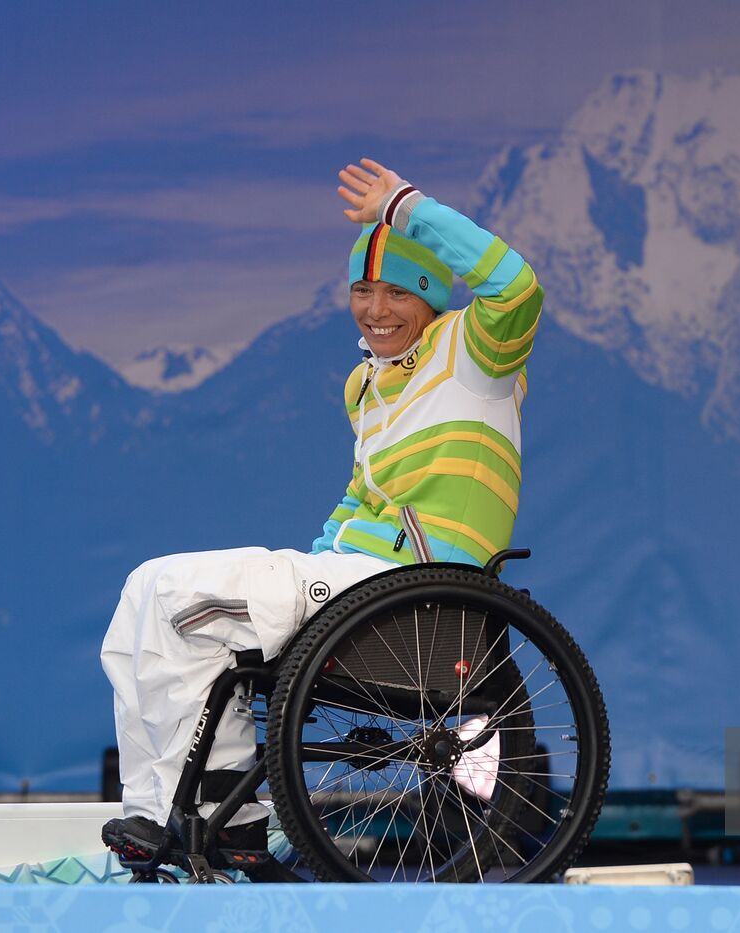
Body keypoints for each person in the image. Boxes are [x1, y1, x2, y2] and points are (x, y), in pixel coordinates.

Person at [100, 158, 544, 864]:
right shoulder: (364, 383)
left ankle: (233, 817)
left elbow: (516, 282)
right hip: (353, 578)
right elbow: (361, 494)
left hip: (417, 592)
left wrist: (405, 207)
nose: (376, 308)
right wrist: (319, 555)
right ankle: (157, 815)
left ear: (432, 296)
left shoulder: (477, 352)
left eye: (398, 291)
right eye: (362, 290)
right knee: (145, 590)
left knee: (187, 601)